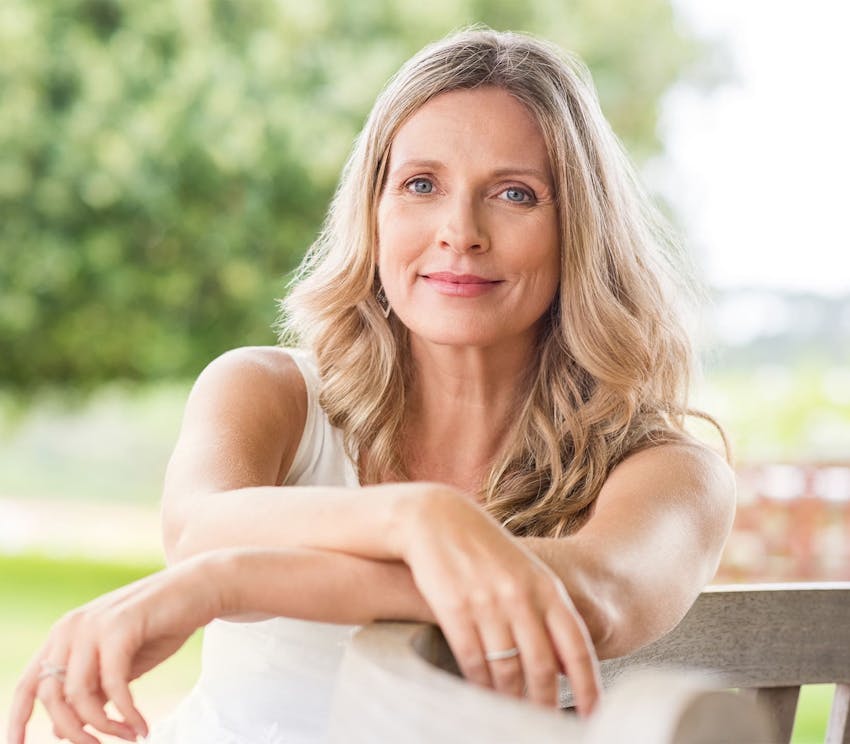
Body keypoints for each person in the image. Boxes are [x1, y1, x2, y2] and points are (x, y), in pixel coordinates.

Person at [8, 27, 736, 744]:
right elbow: (198, 529)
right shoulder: (266, 392)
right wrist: (414, 520)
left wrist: (227, 583)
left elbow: (596, 596)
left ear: (581, 228)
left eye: (515, 194)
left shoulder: (671, 470)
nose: (460, 231)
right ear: (374, 211)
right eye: (421, 184)